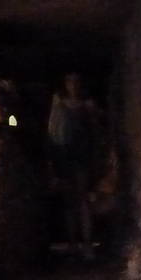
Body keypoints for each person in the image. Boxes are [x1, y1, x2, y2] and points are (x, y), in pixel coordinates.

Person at [46, 73, 103, 252]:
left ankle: (86, 243)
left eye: (76, 81)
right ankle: (73, 244)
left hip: (82, 158)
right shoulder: (60, 106)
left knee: (83, 200)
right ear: (66, 85)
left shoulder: (87, 107)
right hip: (66, 158)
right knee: (70, 202)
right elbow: (53, 132)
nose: (73, 85)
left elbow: (95, 131)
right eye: (70, 82)